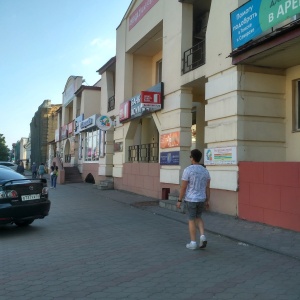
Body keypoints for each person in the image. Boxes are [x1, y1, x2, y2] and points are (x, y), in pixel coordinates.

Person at [176, 149, 211, 250]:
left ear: (192, 158)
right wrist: (208, 200)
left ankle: (193, 242)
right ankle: (202, 236)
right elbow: (208, 187)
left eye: (190, 157)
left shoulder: (188, 170)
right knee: (198, 217)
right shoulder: (205, 171)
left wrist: (179, 200)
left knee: (191, 220)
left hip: (191, 199)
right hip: (202, 199)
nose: (190, 158)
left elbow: (183, 187)